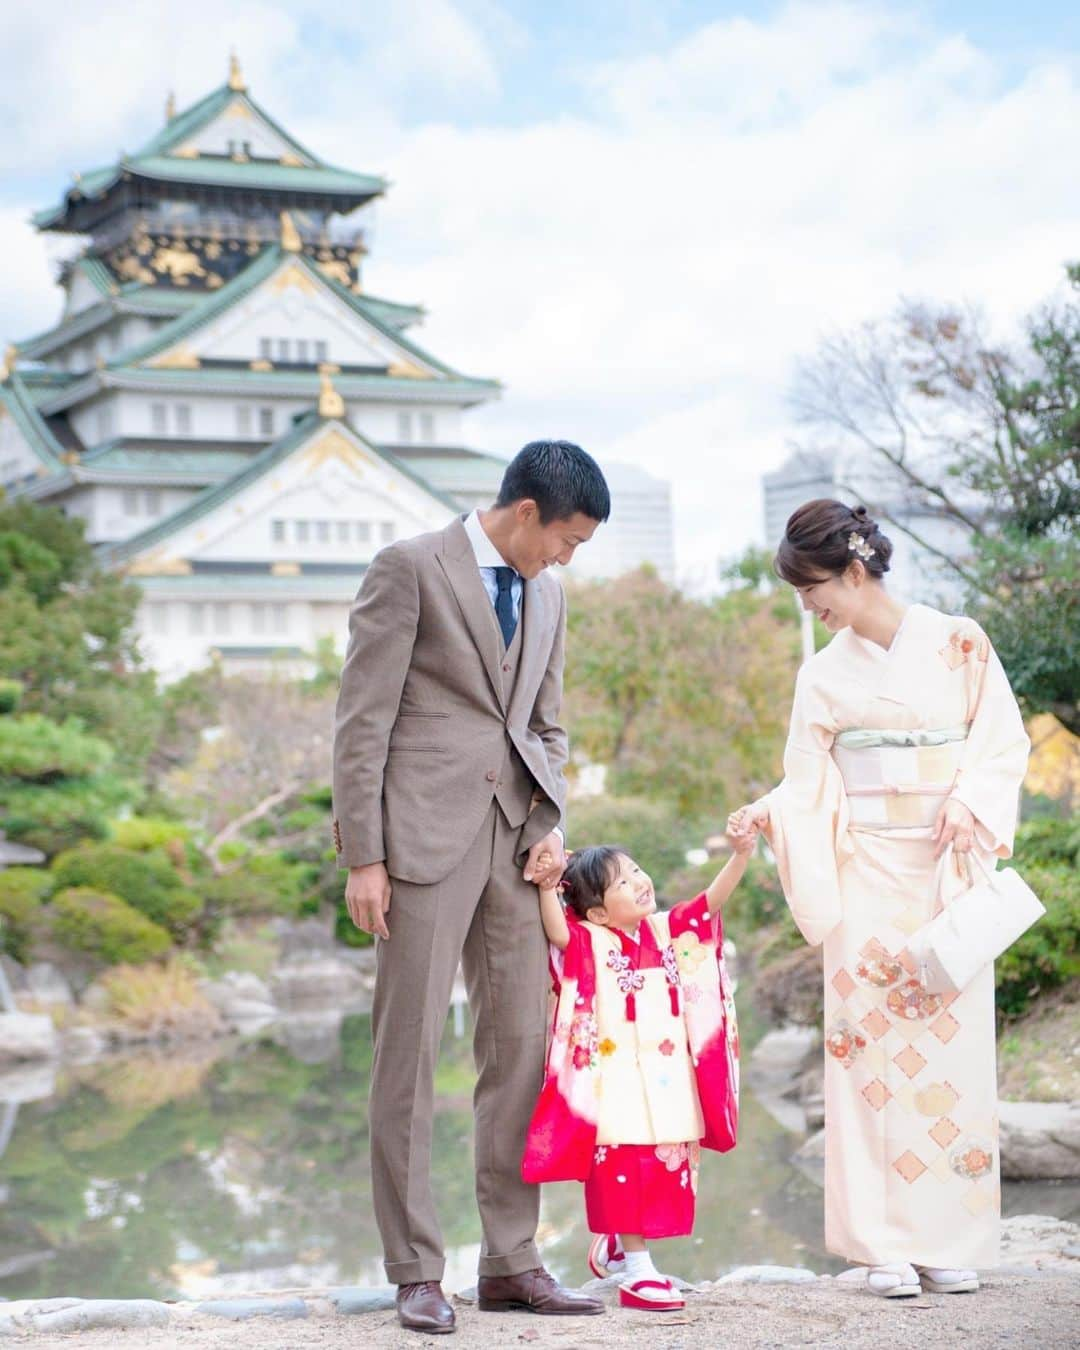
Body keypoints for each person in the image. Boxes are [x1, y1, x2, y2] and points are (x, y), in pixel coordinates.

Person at [332, 441, 611, 1334]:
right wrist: (362, 856)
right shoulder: (408, 569)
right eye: (566, 539)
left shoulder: (551, 594)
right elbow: (361, 720)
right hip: (416, 841)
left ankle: (512, 1262)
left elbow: (547, 725)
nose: (568, 559)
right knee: (408, 1056)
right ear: (525, 511)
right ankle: (416, 1269)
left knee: (521, 1053)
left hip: (516, 848)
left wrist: (550, 824)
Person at [730, 499, 1030, 1298]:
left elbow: (1002, 741)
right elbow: (807, 781)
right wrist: (770, 812)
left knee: (951, 1056)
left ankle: (947, 1237)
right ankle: (879, 1245)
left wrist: (971, 798)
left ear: (855, 571)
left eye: (813, 588)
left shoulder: (960, 641)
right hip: (862, 870)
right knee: (865, 1061)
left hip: (944, 867)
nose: (809, 606)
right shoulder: (823, 673)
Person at [521, 841, 746, 1310]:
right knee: (622, 1166)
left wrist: (741, 854)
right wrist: (547, 887)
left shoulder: (666, 931)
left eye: (637, 869)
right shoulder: (591, 940)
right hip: (615, 1084)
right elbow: (559, 931)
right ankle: (639, 1269)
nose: (640, 881)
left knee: (665, 1164)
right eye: (622, 881)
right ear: (599, 914)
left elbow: (710, 903)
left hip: (668, 1082)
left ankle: (620, 1246)